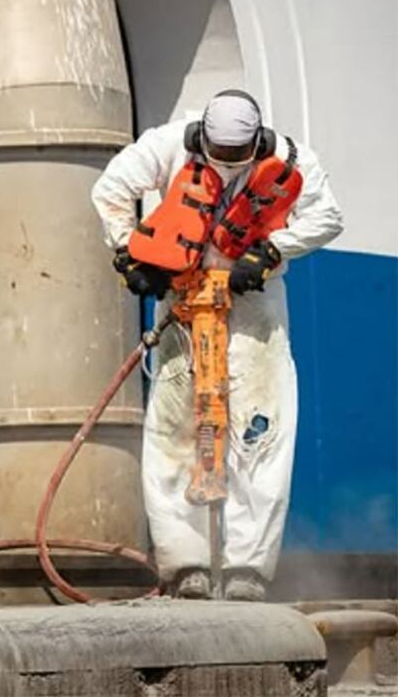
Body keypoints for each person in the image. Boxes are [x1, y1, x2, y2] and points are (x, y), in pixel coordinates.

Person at [91, 89, 343, 601]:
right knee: (175, 429)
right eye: (217, 154)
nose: (225, 164)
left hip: (254, 302)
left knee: (261, 429)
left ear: (257, 143)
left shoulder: (293, 161)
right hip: (183, 299)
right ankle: (186, 565)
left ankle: (248, 568)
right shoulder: (167, 145)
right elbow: (111, 189)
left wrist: (272, 249)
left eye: (236, 157)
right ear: (201, 137)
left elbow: (326, 217)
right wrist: (127, 253)